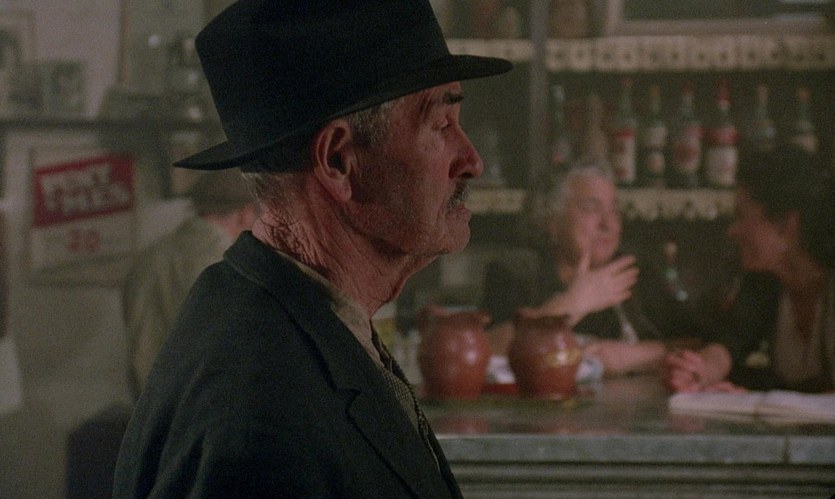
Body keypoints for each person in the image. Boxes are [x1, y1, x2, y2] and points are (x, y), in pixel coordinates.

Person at [113, 1, 511, 497]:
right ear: (338, 160)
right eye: (441, 125)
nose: (471, 160)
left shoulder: (293, 322)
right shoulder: (261, 419)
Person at [485, 161, 696, 377]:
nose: (608, 225)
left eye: (614, 209)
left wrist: (633, 356)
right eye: (591, 208)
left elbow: (697, 342)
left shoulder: (634, 271)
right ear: (552, 220)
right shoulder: (517, 271)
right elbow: (486, 350)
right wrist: (573, 303)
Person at [664, 146, 835, 393]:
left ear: (785, 225)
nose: (732, 230)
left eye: (741, 215)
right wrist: (698, 371)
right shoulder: (766, 280)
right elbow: (728, 343)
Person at [121, 169, 257, 396]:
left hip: (147, 406)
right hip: (207, 406)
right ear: (246, 212)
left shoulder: (146, 260)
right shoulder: (233, 267)